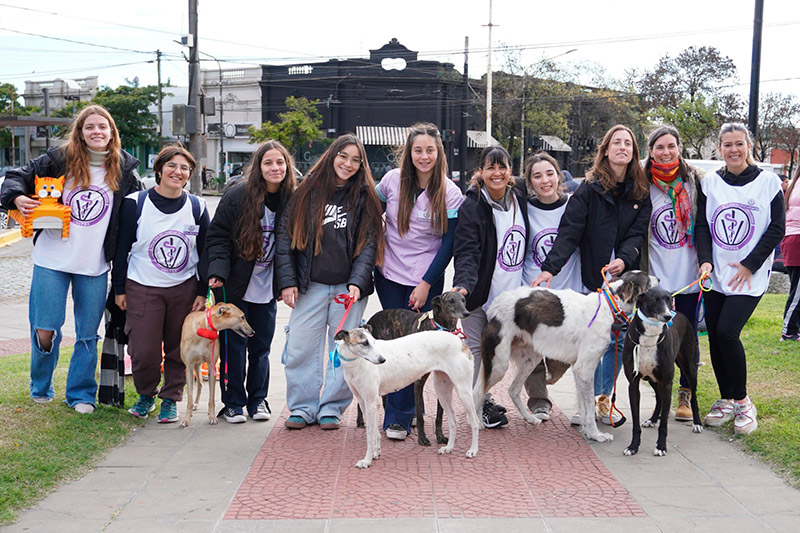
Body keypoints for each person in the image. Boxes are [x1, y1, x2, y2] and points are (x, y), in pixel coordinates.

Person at [0, 105, 142, 413]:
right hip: (51, 260)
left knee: (87, 334)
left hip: (94, 266)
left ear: (112, 132)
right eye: (89, 127)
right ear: (80, 132)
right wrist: (16, 197)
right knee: (45, 329)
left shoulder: (126, 171)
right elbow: (15, 177)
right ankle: (40, 385)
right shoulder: (57, 160)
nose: (96, 132)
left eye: (102, 127)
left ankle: (80, 394)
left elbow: (139, 215)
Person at [530, 124, 651, 425]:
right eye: (616, 143)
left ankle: (603, 400)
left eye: (628, 143)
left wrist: (624, 260)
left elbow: (637, 235)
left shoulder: (640, 191)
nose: (622, 147)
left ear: (634, 152)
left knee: (618, 339)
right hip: (593, 281)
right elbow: (569, 233)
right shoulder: (589, 188)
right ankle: (586, 402)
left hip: (624, 282)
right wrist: (549, 269)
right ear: (606, 150)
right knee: (592, 342)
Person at [276, 134, 384, 430]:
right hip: (309, 285)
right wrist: (287, 282)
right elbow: (285, 239)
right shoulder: (306, 191)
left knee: (344, 353)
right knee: (300, 349)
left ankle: (331, 409)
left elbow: (369, 244)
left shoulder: (364, 196)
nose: (348, 164)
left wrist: (358, 282)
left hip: (347, 289)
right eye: (343, 156)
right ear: (332, 155)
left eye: (355, 160)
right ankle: (301, 407)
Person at [374, 123, 464, 440]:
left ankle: (404, 413)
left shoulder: (450, 193)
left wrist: (426, 283)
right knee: (395, 344)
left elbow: (449, 244)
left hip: (426, 279)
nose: (424, 156)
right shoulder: (390, 182)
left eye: (430, 150)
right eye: (417, 150)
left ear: (439, 153)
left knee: (416, 347)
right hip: (389, 276)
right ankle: (397, 414)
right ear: (409, 153)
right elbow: (370, 214)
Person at [695, 123, 784, 435]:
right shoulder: (710, 184)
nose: (733, 150)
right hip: (716, 273)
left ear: (750, 146)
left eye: (739, 144)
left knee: (727, 332)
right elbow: (702, 226)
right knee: (716, 339)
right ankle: (726, 399)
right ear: (720, 149)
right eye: (727, 145)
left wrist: (750, 264)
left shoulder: (769, 182)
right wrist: (705, 260)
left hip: (749, 276)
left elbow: (776, 228)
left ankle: (744, 402)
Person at [112, 144, 209, 422]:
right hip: (142, 287)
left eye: (184, 168)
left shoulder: (197, 206)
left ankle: (171, 398)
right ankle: (146, 395)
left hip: (184, 289)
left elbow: (205, 252)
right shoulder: (136, 203)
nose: (177, 172)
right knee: (144, 350)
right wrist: (119, 288)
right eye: (171, 166)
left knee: (179, 348)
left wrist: (202, 291)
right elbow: (122, 249)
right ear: (159, 169)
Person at [204, 140, 296, 423]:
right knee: (233, 347)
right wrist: (217, 271)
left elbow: (296, 244)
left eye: (280, 162)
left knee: (261, 347)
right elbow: (217, 235)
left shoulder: (293, 198)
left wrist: (287, 281)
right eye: (268, 163)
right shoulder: (238, 196)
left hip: (266, 287)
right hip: (235, 284)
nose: (274, 168)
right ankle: (232, 402)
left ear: (287, 166)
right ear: (258, 167)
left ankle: (258, 401)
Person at [453, 145, 528, 428]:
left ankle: (483, 397)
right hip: (479, 294)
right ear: (480, 172)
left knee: (498, 357)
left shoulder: (522, 199)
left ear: (511, 172)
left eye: (503, 167)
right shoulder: (472, 206)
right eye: (490, 167)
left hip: (512, 296)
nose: (497, 173)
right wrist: (463, 285)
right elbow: (467, 251)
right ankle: (478, 407)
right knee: (477, 352)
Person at [642, 125, 703, 421]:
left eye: (671, 146)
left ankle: (686, 395)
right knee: (652, 340)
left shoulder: (694, 183)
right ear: (651, 151)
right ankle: (657, 397)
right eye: (659, 147)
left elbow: (704, 225)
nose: (665, 152)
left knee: (687, 343)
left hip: (688, 277)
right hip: (655, 281)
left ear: (679, 147)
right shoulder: (642, 184)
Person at [520, 152, 582, 422]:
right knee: (530, 347)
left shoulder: (575, 204)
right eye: (537, 176)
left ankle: (551, 373)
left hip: (570, 289)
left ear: (559, 176)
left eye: (549, 173)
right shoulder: (524, 209)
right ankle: (538, 400)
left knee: (570, 350)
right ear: (530, 182)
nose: (544, 180)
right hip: (533, 287)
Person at [781, 168, 800, 341]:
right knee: (798, 291)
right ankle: (789, 329)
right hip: (796, 239)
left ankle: (794, 327)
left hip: (792, 238)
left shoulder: (795, 182)